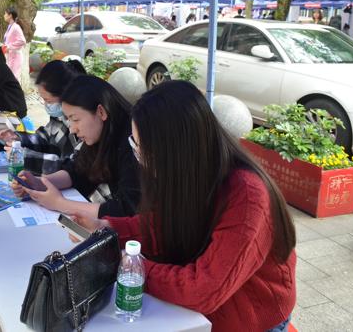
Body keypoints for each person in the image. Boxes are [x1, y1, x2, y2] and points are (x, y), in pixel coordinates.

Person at [66, 80, 297, 332]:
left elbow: (203, 289)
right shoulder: (189, 175)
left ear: (175, 150)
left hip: (250, 321)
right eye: (134, 144)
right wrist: (105, 227)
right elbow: (163, 225)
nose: (138, 156)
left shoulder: (248, 196)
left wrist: (129, 266)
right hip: (201, 314)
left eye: (141, 148)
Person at [10, 75, 141, 218]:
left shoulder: (134, 143)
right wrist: (38, 183)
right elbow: (77, 171)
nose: (73, 129)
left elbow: (125, 208)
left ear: (101, 112)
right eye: (70, 121)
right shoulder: (100, 133)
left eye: (76, 120)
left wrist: (60, 203)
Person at [0, 60, 87, 176]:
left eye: (48, 101)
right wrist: (19, 139)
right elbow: (46, 137)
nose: (46, 105)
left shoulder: (86, 128)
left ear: (67, 95)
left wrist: (27, 158)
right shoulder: (59, 116)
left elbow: (73, 169)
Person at [3, 7, 28, 82]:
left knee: (11, 78)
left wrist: (9, 47)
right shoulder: (10, 27)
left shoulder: (16, 27)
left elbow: (22, 41)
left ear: (10, 16)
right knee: (15, 78)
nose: (4, 16)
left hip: (15, 56)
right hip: (11, 56)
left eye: (5, 14)